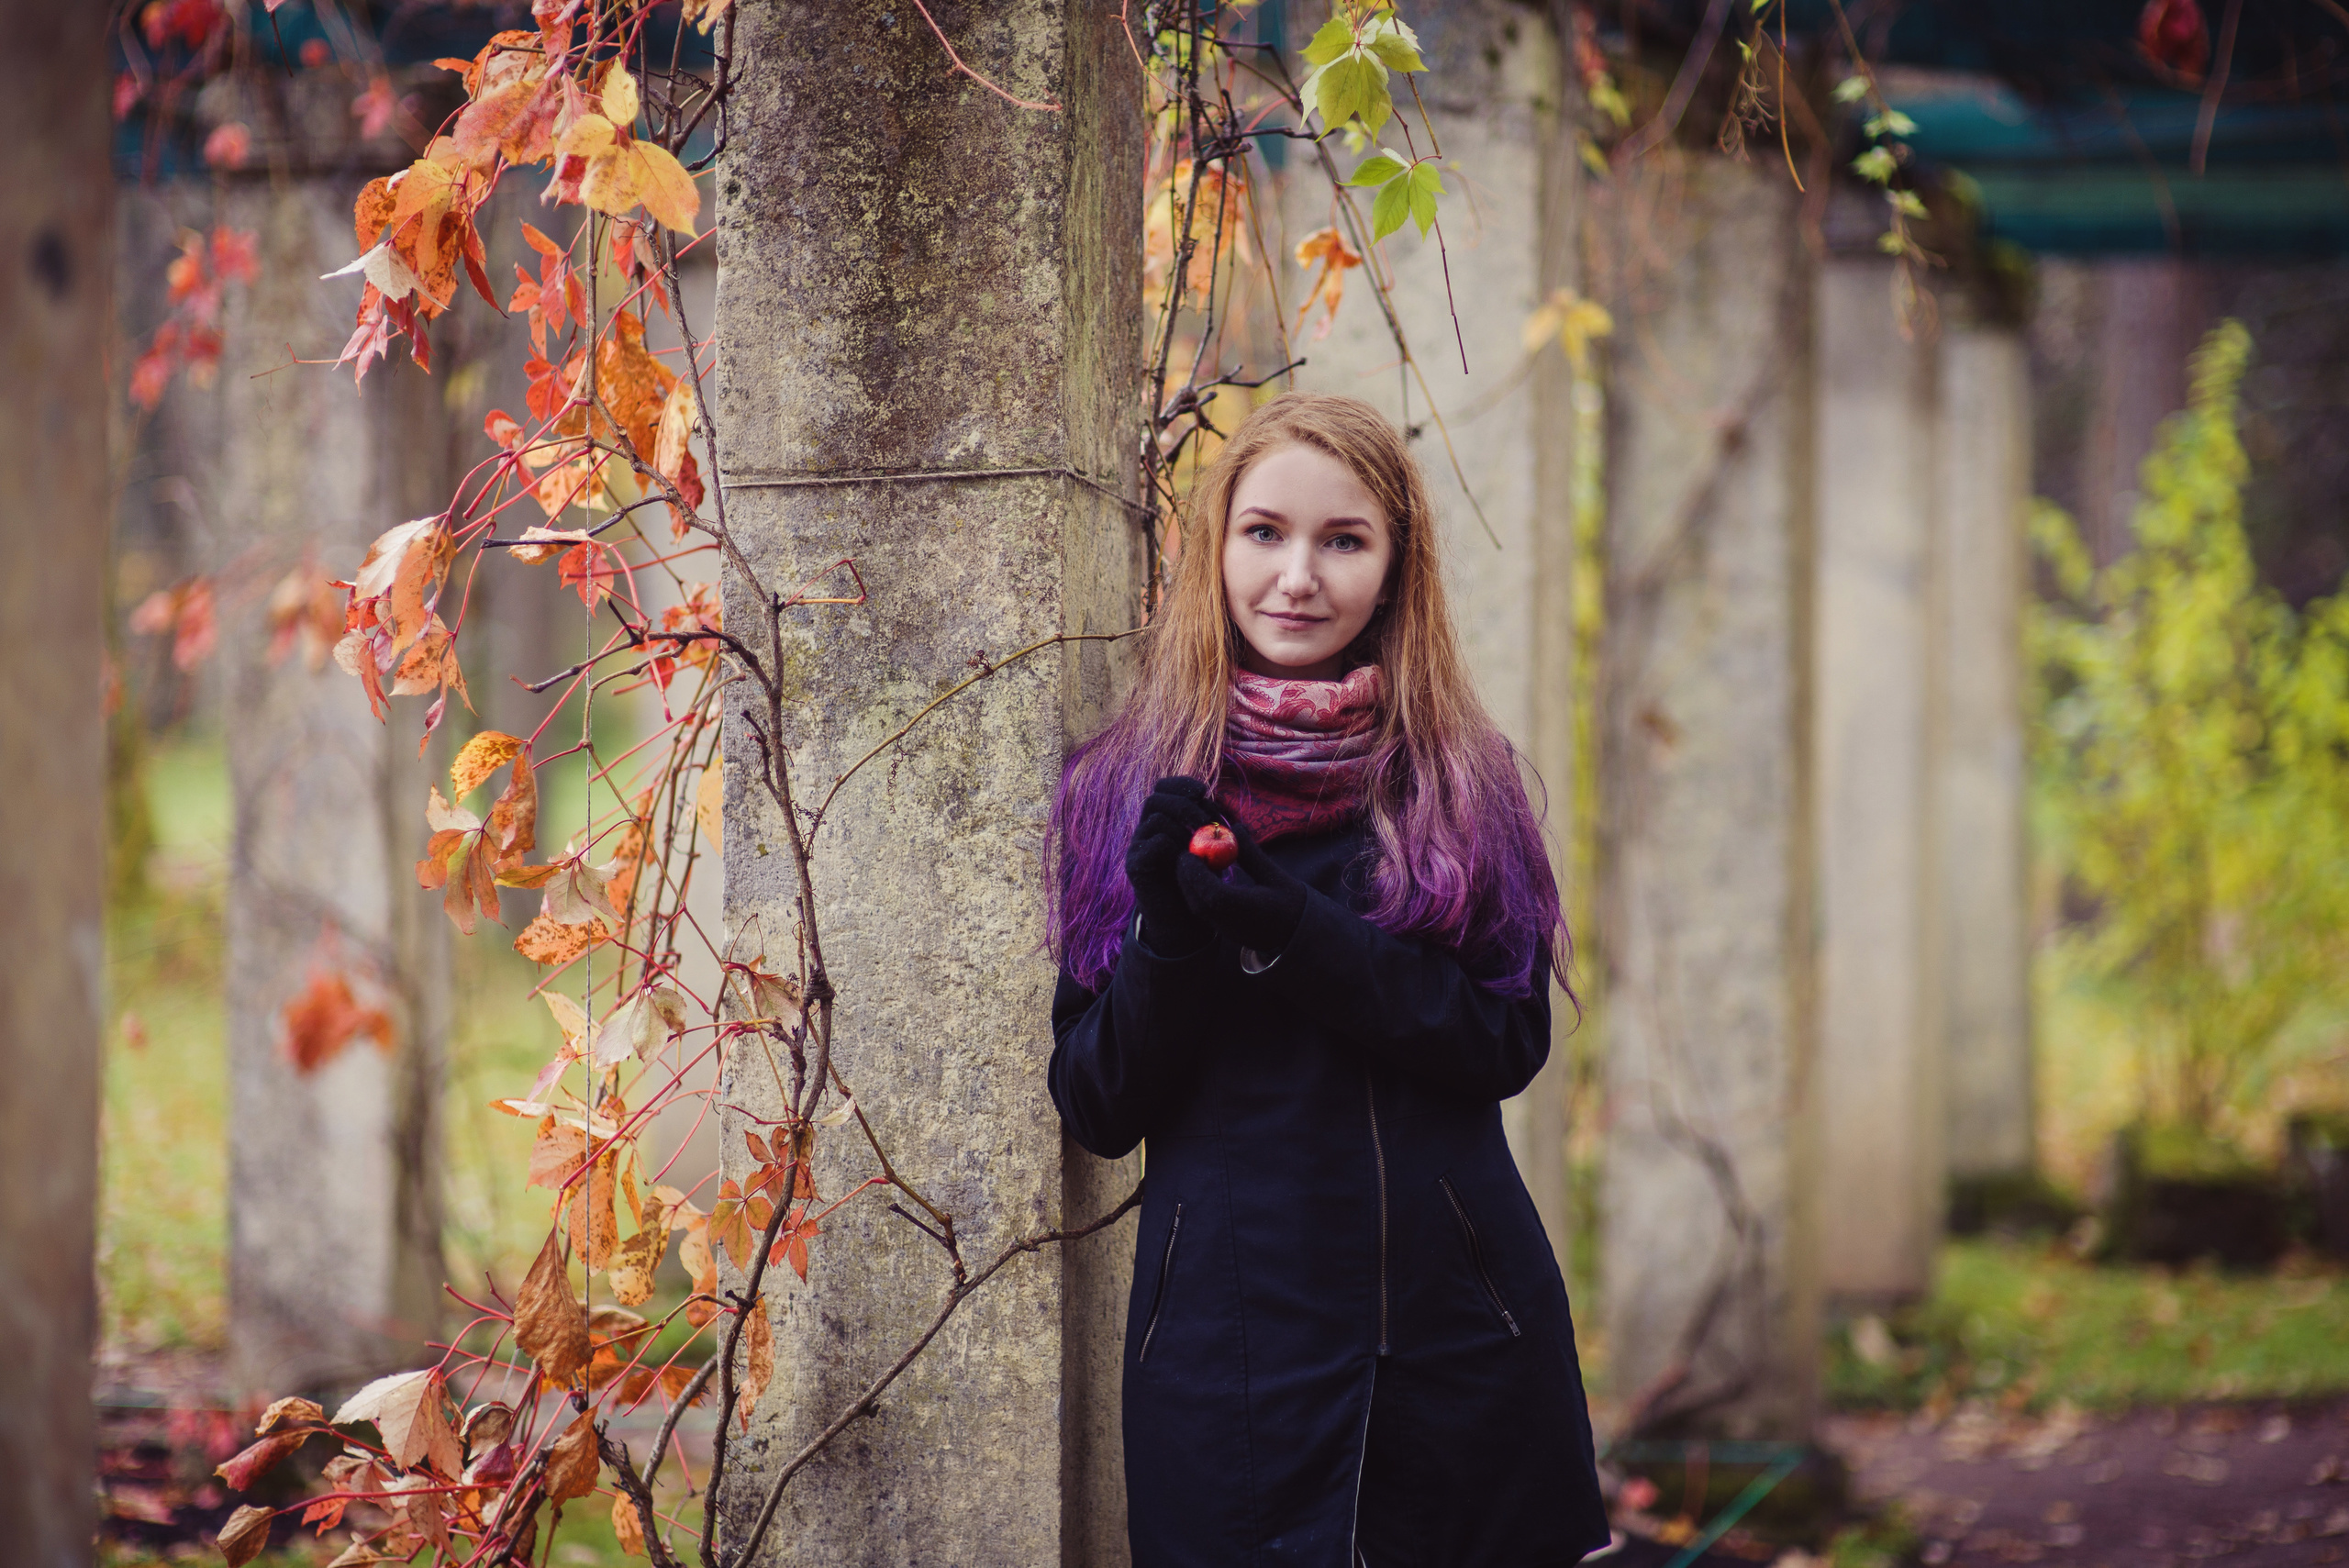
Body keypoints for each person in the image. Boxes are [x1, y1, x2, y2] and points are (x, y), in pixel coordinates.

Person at [1045, 393, 1610, 1566]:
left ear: (1396, 568)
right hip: (1223, 1351)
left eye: (1342, 540)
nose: (1297, 575)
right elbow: (1098, 1103)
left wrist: (1287, 925)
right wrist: (1173, 932)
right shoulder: (1126, 783)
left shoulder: (1458, 776)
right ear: (1215, 549)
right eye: (1264, 533)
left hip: (1458, 1336)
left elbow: (1502, 1043)